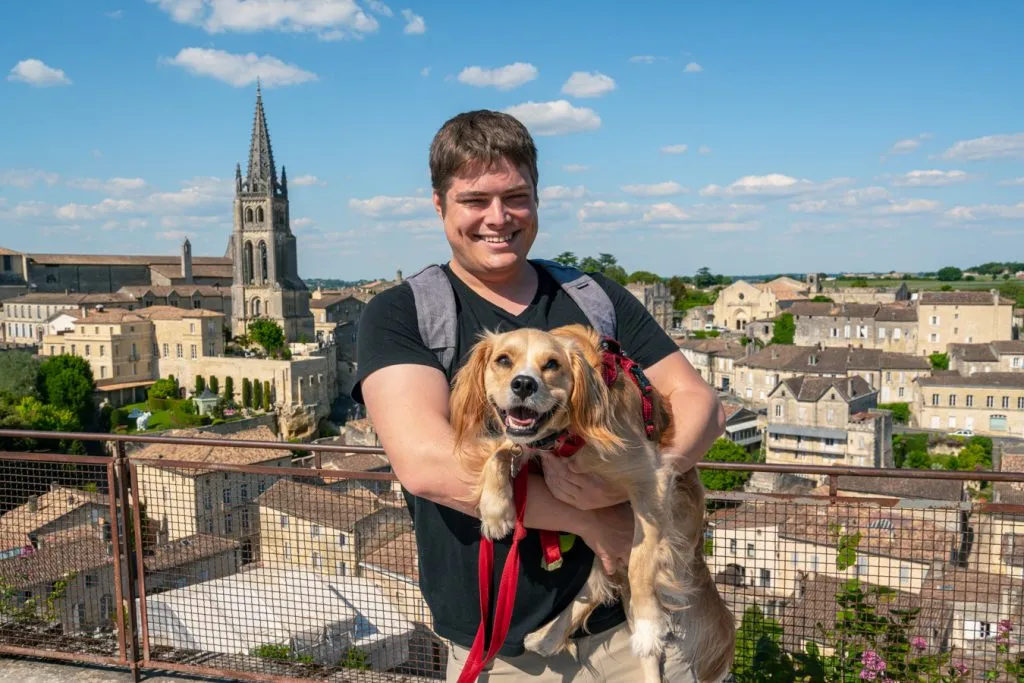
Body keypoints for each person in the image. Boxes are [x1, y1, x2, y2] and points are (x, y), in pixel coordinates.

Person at [352, 110, 725, 682]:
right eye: (475, 200)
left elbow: (698, 401)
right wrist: (595, 522)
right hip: (507, 651)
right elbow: (425, 464)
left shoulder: (592, 296)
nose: (498, 218)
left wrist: (651, 477)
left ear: (537, 199)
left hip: (635, 628)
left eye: (516, 197)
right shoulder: (405, 313)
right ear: (439, 204)